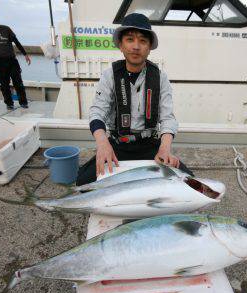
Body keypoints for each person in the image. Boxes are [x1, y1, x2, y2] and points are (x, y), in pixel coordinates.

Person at [76, 13, 194, 186]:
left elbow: (168, 118)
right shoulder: (109, 76)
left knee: (189, 182)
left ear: (149, 47)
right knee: (83, 183)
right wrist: (102, 143)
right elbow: (97, 113)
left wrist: (165, 148)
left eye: (143, 41)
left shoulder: (160, 78)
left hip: (150, 145)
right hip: (118, 145)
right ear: (121, 45)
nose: (136, 46)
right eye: (130, 39)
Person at [0, 7, 31, 110]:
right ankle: (9, 103)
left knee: (18, 82)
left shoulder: (6, 29)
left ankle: (23, 102)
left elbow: (16, 42)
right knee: (4, 84)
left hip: (11, 60)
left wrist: (25, 54)